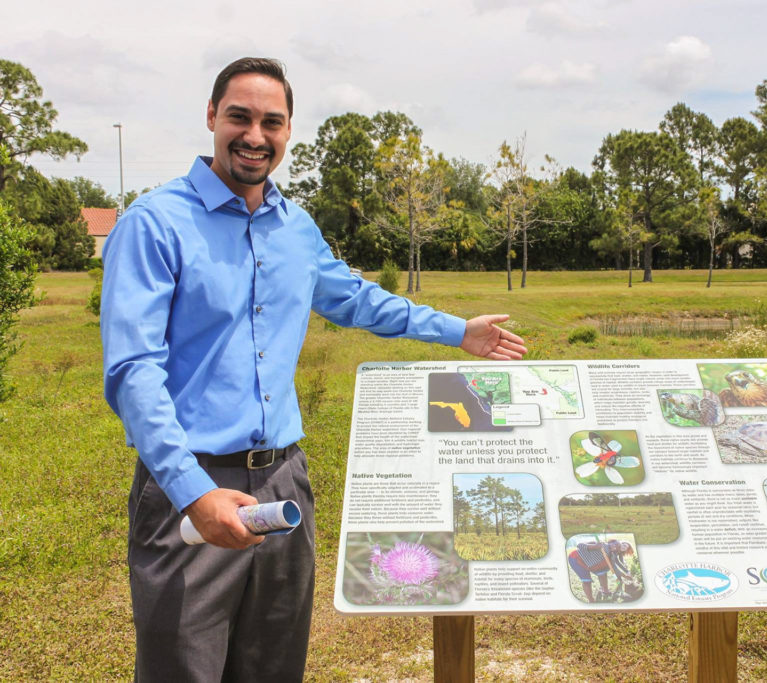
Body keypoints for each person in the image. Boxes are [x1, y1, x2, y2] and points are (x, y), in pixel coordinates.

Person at [100, 57, 526, 682]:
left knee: (274, 666)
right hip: (191, 486)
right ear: (212, 116)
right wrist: (194, 494)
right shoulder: (155, 223)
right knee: (182, 669)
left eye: (271, 121)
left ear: (288, 130)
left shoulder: (294, 227)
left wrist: (457, 331)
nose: (254, 135)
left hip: (282, 484)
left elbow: (355, 299)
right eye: (240, 117)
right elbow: (134, 370)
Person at [567, 538, 636, 602]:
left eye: (617, 546)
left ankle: (606, 592)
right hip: (577, 559)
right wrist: (595, 546)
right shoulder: (601, 544)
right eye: (614, 543)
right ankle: (591, 601)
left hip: (593, 564)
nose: (614, 546)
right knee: (587, 581)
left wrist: (624, 575)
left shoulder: (612, 555)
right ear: (610, 542)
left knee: (603, 573)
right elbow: (579, 545)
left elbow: (614, 567)